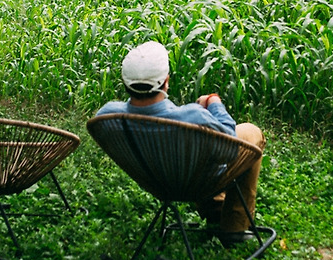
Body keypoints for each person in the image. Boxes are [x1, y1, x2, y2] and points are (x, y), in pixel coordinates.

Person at [96, 40, 265, 245]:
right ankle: (234, 228)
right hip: (198, 183)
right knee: (253, 133)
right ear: (166, 81)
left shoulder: (107, 116)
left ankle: (215, 210)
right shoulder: (192, 117)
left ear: (124, 82)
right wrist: (214, 103)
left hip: (155, 181)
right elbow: (229, 150)